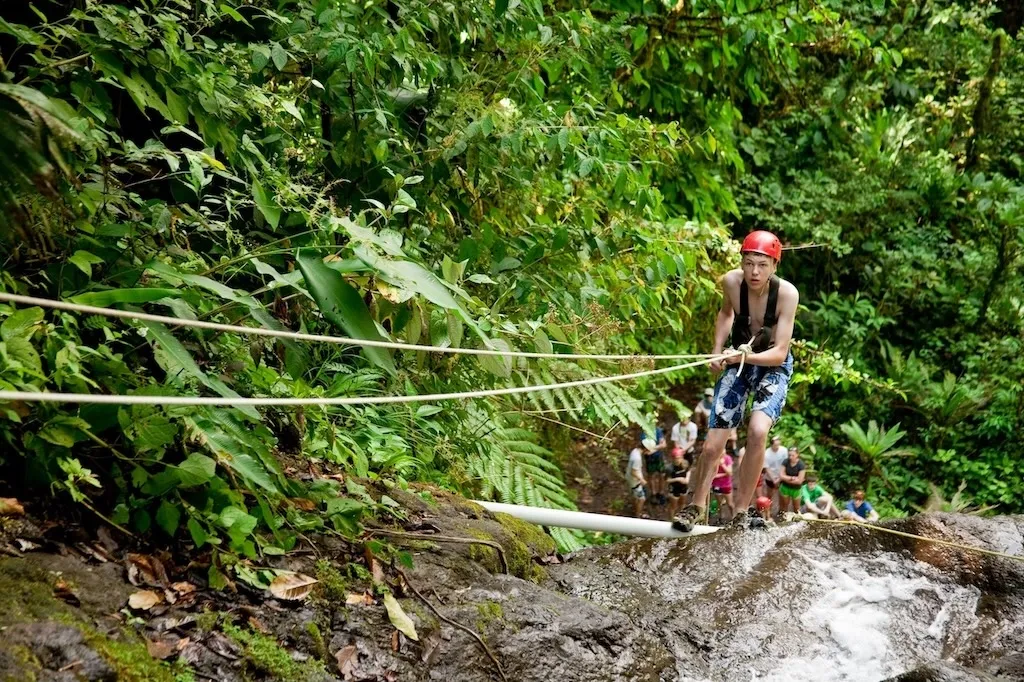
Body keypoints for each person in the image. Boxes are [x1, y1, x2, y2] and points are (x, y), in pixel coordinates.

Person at [673, 231, 799, 533]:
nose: (754, 271)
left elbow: (780, 353)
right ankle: (696, 505)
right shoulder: (731, 282)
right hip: (736, 359)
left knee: (757, 431)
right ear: (741, 263)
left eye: (762, 265)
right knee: (714, 441)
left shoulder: (787, 295)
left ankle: (741, 510)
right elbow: (726, 313)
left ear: (774, 266)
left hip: (770, 364)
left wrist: (737, 357)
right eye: (748, 263)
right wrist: (717, 351)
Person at [626, 438, 656, 517]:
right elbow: (634, 471)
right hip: (635, 481)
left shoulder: (635, 451)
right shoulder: (637, 458)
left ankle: (636, 509)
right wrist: (641, 480)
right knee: (641, 499)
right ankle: (638, 515)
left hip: (631, 479)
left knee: (636, 497)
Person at [642, 424, 668, 505]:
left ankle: (661, 493)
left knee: (662, 475)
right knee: (651, 476)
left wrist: (653, 449)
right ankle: (653, 493)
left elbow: (663, 444)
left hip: (658, 457)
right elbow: (645, 449)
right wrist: (657, 447)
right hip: (649, 458)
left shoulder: (657, 431)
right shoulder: (644, 433)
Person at [777, 447, 806, 515]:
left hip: (796, 489)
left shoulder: (801, 465)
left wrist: (786, 478)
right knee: (784, 506)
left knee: (796, 507)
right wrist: (792, 478)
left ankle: (796, 519)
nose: (790, 457)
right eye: (789, 455)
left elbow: (799, 481)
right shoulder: (786, 461)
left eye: (792, 455)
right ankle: (783, 518)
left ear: (797, 455)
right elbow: (781, 475)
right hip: (785, 487)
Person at [711, 450, 735, 523]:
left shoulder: (727, 458)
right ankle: (721, 516)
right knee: (719, 502)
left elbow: (730, 473)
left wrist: (722, 464)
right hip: (716, 485)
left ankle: (734, 517)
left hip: (726, 485)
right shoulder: (714, 459)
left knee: (730, 503)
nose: (723, 455)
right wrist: (723, 474)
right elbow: (712, 474)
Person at [762, 436, 788, 505]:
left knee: (782, 494)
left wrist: (780, 477)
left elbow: (785, 464)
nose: (777, 447)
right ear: (771, 444)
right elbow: (767, 468)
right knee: (770, 494)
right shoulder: (766, 453)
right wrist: (774, 479)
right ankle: (768, 509)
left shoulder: (784, 450)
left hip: (782, 475)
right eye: (775, 445)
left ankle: (781, 510)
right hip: (770, 477)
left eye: (778, 445)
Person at [666, 448, 690, 518]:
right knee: (673, 506)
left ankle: (681, 518)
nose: (677, 460)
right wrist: (678, 479)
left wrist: (687, 478)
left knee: (682, 504)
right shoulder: (670, 468)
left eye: (679, 458)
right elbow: (667, 480)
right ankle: (671, 519)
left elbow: (688, 471)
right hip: (674, 488)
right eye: (676, 458)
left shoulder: (685, 464)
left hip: (683, 487)